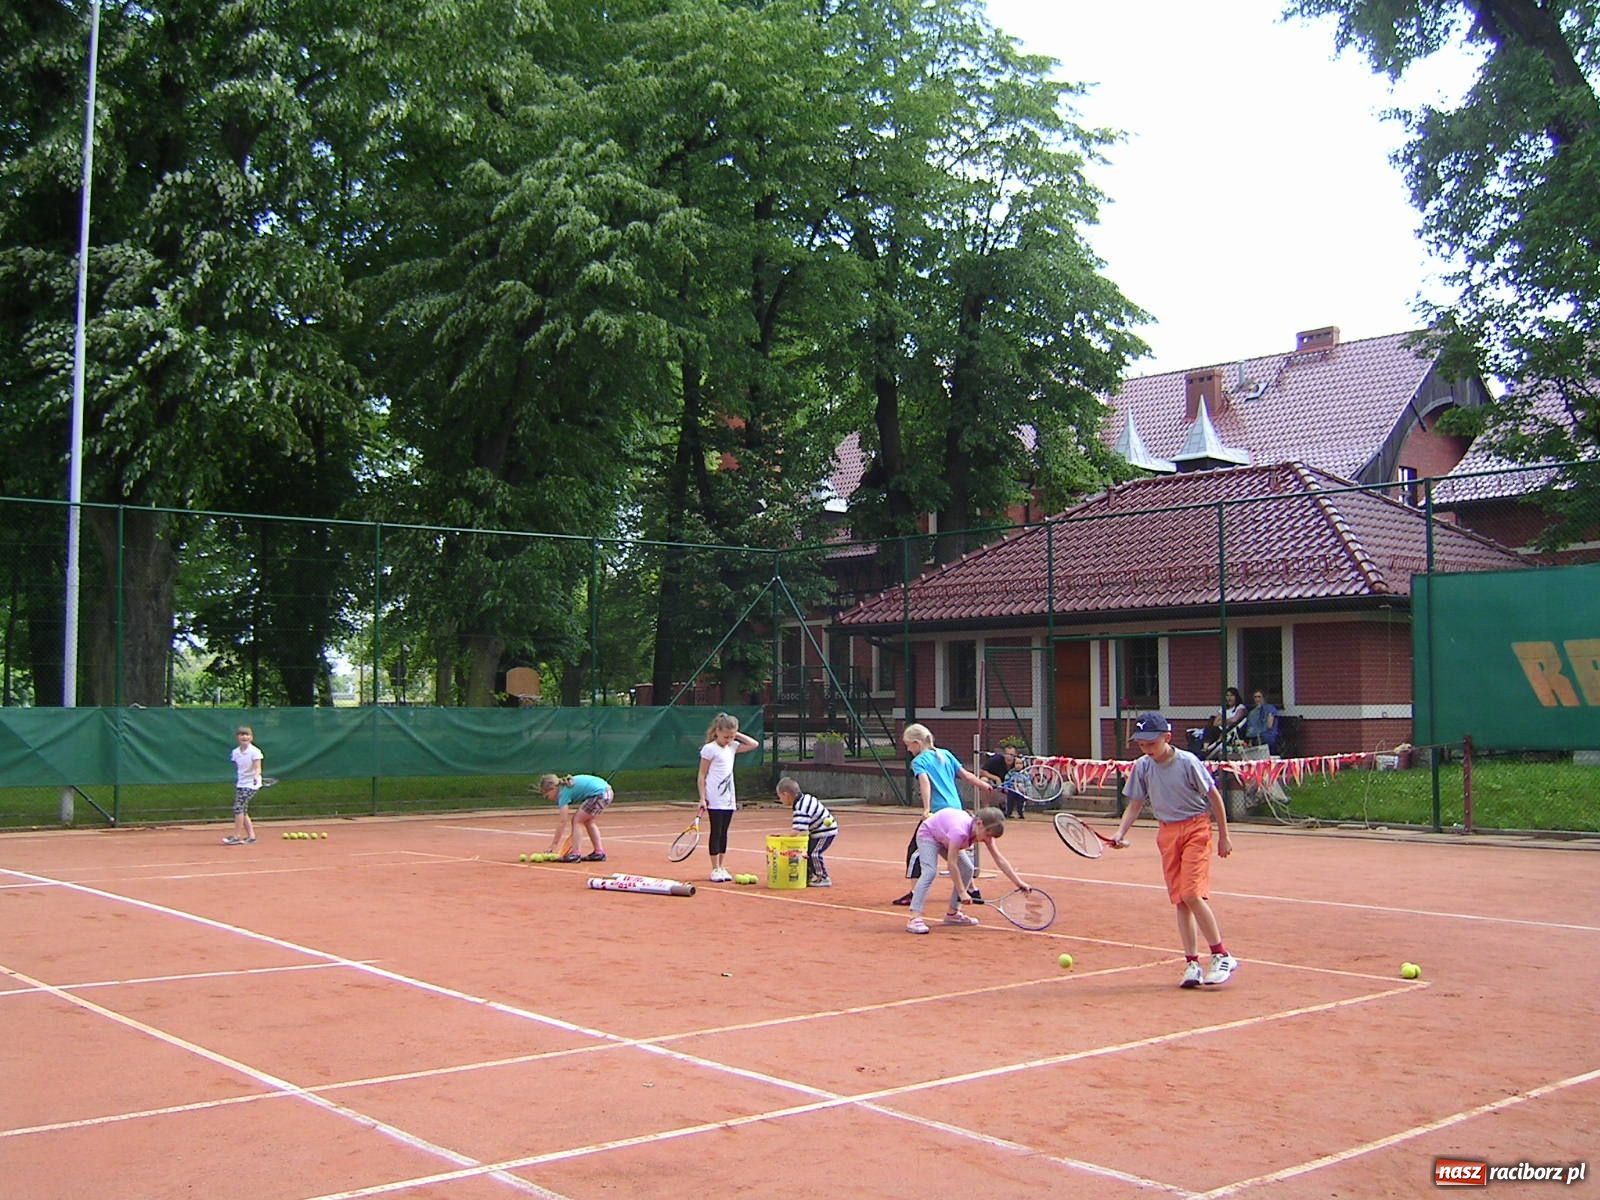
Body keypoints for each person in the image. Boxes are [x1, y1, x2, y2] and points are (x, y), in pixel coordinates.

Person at [1109, 712, 1238, 988]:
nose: (1147, 750)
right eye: (1142, 745)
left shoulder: (1188, 762)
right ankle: (1192, 963)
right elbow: (1135, 803)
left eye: (1151, 744)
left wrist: (1224, 837)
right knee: (1181, 899)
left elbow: (1213, 797)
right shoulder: (1142, 766)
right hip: (1167, 832)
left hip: (1196, 829)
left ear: (1167, 738)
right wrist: (1120, 833)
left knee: (1191, 893)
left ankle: (1221, 955)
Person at [894, 723, 996, 904]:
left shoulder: (918, 761)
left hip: (939, 812)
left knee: (915, 850)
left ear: (917, 743)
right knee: (955, 851)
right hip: (956, 809)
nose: (908, 750)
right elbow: (967, 776)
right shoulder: (945, 755)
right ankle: (972, 889)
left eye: (908, 745)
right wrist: (983, 785)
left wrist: (926, 809)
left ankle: (914, 892)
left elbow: (924, 782)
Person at [905, 806, 1030, 934]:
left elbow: (999, 859)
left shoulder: (983, 832)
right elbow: (952, 864)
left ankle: (952, 914)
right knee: (929, 871)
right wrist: (962, 892)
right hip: (929, 835)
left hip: (946, 836)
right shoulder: (959, 831)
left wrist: (1019, 883)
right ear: (979, 823)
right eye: (987, 834)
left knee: (967, 868)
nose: (987, 839)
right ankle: (914, 917)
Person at [698, 712, 759, 882]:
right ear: (717, 731)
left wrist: (735, 734)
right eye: (726, 736)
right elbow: (702, 775)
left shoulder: (732, 747)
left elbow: (754, 744)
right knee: (715, 831)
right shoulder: (709, 749)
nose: (729, 739)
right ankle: (714, 868)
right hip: (714, 797)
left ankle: (722, 867)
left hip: (729, 798)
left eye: (731, 736)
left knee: (724, 832)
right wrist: (702, 798)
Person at [776, 777, 837, 887]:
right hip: (818, 830)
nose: (780, 800)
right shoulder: (803, 799)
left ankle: (822, 877)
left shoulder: (801, 807)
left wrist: (784, 841)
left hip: (825, 831)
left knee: (814, 853)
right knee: (807, 851)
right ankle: (809, 874)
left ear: (786, 795)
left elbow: (799, 830)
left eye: (780, 797)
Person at [538, 774, 613, 862]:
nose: (549, 799)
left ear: (552, 788)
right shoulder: (565, 787)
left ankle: (576, 853)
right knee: (588, 821)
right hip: (607, 792)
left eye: (547, 795)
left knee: (576, 821)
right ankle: (599, 852)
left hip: (600, 794)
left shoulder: (563, 793)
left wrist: (554, 845)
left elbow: (562, 821)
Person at [223, 725, 262, 845]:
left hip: (252, 785)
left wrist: (256, 776)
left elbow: (258, 767)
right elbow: (240, 768)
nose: (245, 737)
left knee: (238, 807)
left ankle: (236, 836)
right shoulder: (235, 752)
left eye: (247, 735)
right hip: (241, 783)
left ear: (251, 737)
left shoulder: (255, 751)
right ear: (237, 737)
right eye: (242, 735)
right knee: (242, 810)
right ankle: (251, 837)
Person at [980, 743, 1027, 819]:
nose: (1009, 757)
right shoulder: (996, 760)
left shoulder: (1019, 764)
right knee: (983, 780)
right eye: (1007, 754)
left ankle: (1011, 809)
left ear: (1015, 755)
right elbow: (982, 771)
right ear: (1003, 755)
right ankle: (986, 810)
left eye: (1012, 755)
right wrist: (996, 778)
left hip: (1010, 790)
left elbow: (1026, 776)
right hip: (995, 786)